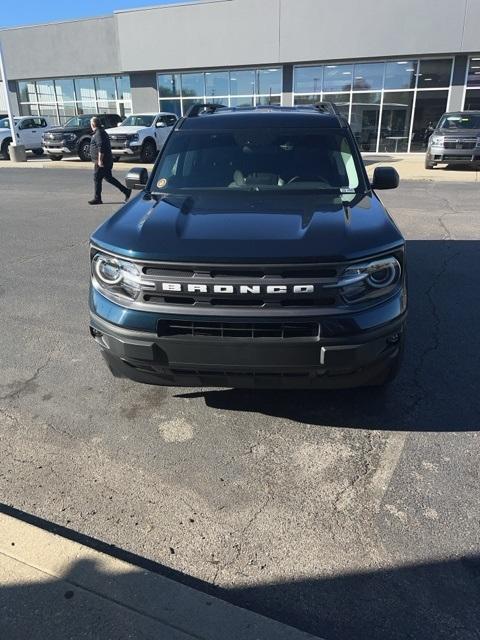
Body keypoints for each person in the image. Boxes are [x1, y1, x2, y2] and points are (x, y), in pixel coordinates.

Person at [88, 116, 131, 205]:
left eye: (90, 124)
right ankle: (126, 191)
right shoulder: (99, 132)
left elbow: (101, 147)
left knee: (97, 178)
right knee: (108, 178)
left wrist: (100, 160)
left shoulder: (99, 133)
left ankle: (97, 198)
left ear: (93, 124)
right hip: (105, 161)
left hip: (102, 162)